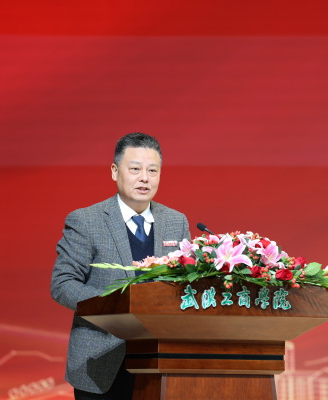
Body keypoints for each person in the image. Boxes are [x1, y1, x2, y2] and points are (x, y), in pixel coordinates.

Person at [51, 132, 191, 399]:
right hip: (100, 360)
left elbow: (184, 283)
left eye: (152, 170)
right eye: (135, 169)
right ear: (115, 172)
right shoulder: (86, 220)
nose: (144, 178)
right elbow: (63, 284)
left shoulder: (176, 221)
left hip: (160, 359)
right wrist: (116, 306)